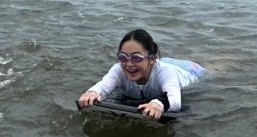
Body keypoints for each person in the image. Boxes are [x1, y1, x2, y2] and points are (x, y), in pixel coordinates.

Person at [76, 28, 206, 118]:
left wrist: (158, 104)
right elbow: (103, 86)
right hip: (165, 62)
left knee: (215, 65)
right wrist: (92, 93)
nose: (129, 64)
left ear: (152, 59)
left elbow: (175, 101)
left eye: (136, 58)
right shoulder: (118, 69)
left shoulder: (166, 72)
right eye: (123, 57)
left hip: (189, 70)